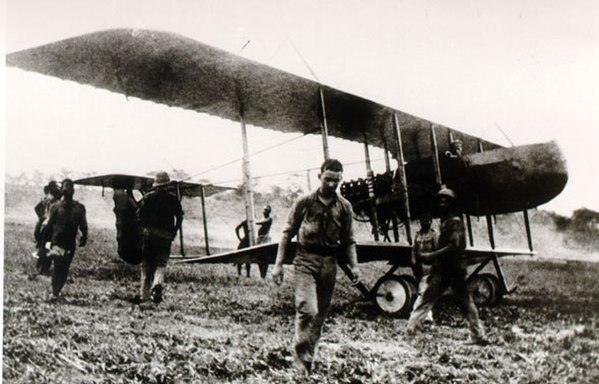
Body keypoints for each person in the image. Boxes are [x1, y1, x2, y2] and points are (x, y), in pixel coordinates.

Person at [271, 159, 360, 373]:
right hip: (305, 260)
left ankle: (307, 359)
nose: (331, 184)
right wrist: (278, 265)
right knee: (308, 310)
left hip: (329, 263)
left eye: (336, 181)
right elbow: (287, 233)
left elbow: (348, 239)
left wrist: (354, 266)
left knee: (319, 316)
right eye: (328, 179)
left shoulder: (344, 206)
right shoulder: (304, 202)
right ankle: (300, 362)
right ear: (319, 176)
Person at [405, 187, 489, 345]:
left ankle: (410, 334)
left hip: (452, 270)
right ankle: (477, 335)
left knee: (430, 301)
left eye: (446, 201)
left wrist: (431, 255)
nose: (442, 203)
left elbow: (453, 245)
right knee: (433, 300)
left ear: (452, 204)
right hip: (446, 269)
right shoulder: (446, 223)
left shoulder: (454, 223)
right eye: (440, 200)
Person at [137, 171, 183, 303]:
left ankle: (144, 296)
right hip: (165, 235)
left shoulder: (148, 197)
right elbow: (179, 217)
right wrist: (174, 232)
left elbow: (139, 215)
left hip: (150, 234)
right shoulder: (173, 198)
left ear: (156, 184)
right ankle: (157, 284)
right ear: (167, 184)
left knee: (146, 265)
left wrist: (144, 228)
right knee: (161, 264)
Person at [43, 179, 88, 301]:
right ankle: (55, 292)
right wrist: (44, 243)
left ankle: (57, 290)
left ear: (73, 191)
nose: (68, 190)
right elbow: (49, 226)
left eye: (70, 187)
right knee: (58, 266)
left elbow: (83, 225)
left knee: (64, 268)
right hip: (57, 242)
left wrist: (84, 236)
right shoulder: (55, 207)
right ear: (62, 190)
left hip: (69, 243)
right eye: (66, 187)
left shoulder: (79, 208)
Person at [410, 214, 438, 324]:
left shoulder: (433, 235)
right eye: (422, 220)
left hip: (429, 264)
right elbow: (414, 249)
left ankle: (426, 316)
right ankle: (424, 314)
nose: (425, 223)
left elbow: (436, 250)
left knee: (424, 290)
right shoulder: (418, 235)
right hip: (419, 264)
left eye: (427, 220)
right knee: (420, 288)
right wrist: (413, 260)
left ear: (431, 221)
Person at [33, 180, 62, 275]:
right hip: (48, 228)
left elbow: (37, 208)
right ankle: (43, 268)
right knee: (47, 247)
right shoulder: (54, 202)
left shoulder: (46, 200)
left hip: (45, 227)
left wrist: (42, 218)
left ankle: (41, 267)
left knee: (45, 246)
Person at [256, 205, 273, 278]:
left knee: (265, 257)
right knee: (259, 257)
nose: (264, 211)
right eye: (264, 210)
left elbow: (259, 222)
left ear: (269, 211)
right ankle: (261, 275)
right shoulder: (263, 218)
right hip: (260, 239)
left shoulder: (269, 219)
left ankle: (264, 275)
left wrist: (254, 219)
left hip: (265, 239)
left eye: (266, 210)